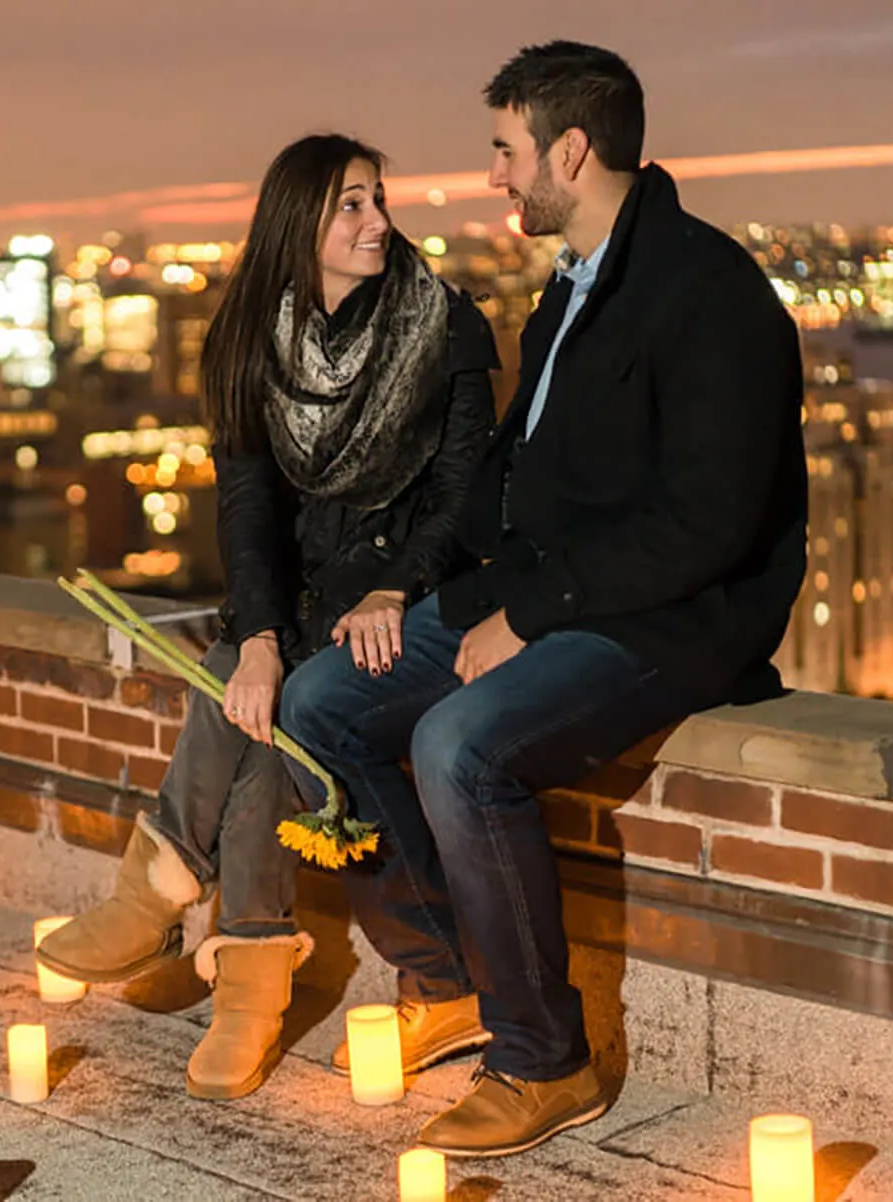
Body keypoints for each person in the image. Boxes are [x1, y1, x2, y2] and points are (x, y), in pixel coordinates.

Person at [280, 42, 807, 1157]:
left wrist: (528, 616)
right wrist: (407, 585)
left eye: (506, 150)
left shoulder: (708, 291)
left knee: (461, 742)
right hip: (546, 594)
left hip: (673, 620)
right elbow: (507, 483)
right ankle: (449, 976)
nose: (493, 177)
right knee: (323, 699)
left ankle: (543, 1056)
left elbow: (710, 529)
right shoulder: (572, 284)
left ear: (572, 148)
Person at [37, 133, 500, 1101]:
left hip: (415, 588)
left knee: (275, 708)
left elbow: (466, 490)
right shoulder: (250, 336)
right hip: (302, 598)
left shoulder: (443, 322)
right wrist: (254, 636)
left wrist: (391, 586)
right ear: (301, 224)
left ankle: (163, 891)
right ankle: (242, 969)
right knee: (247, 690)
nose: (380, 222)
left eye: (379, 200)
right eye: (353, 206)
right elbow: (246, 504)